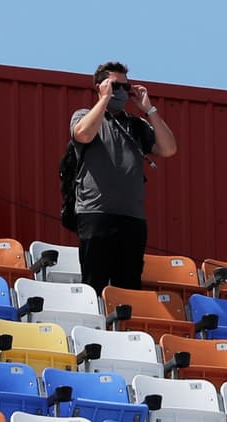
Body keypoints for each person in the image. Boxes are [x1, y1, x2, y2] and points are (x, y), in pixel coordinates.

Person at [69, 61, 177, 292]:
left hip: (132, 218)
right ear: (100, 86)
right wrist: (105, 99)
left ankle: (124, 328)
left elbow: (168, 149)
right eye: (115, 85)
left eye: (125, 88)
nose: (121, 93)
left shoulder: (136, 125)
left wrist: (150, 109)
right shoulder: (85, 115)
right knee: (94, 284)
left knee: (128, 287)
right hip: (95, 214)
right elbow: (83, 134)